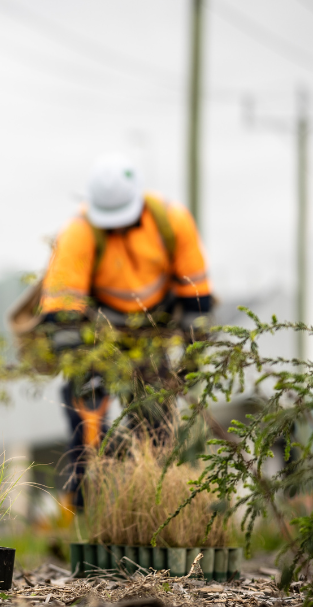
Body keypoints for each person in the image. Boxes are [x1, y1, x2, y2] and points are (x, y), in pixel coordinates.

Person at [39, 153, 212, 507]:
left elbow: (197, 297)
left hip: (151, 335)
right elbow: (60, 310)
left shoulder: (171, 221)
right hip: (98, 336)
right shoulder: (78, 233)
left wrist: (191, 356)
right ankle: (86, 499)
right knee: (86, 415)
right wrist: (77, 364)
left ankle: (151, 502)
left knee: (156, 424)